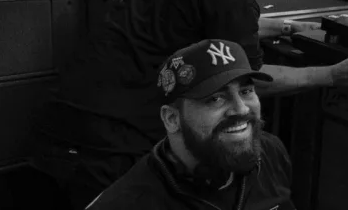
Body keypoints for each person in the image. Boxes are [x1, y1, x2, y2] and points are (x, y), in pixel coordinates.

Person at [35, 0, 348, 210]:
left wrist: (285, 27)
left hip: (74, 120)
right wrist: (331, 74)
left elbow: (200, 21)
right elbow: (248, 84)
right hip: (111, 141)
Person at [87, 39, 296, 209]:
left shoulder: (270, 151)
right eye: (215, 99)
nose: (241, 109)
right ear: (172, 119)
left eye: (246, 91)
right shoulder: (128, 203)